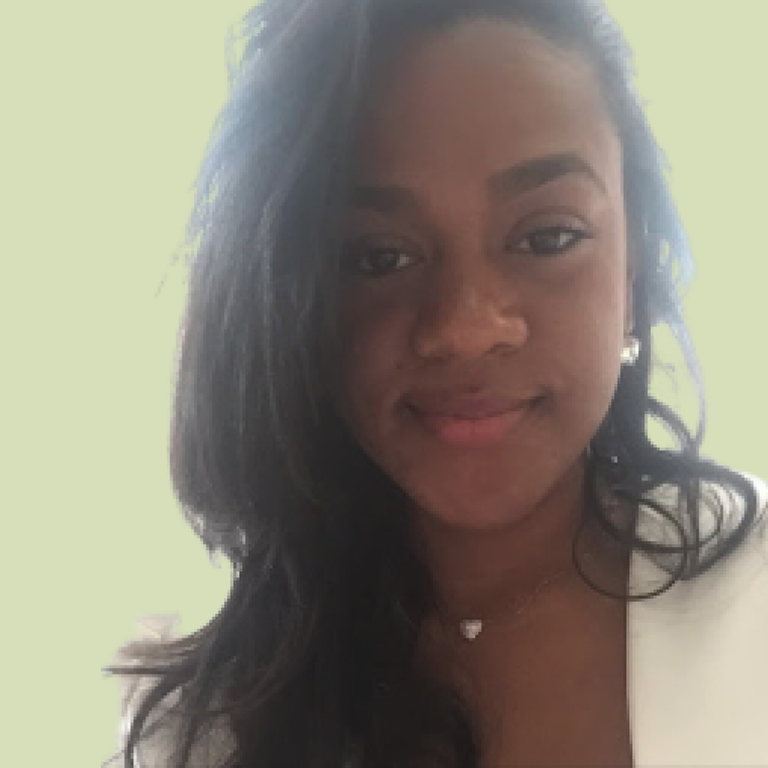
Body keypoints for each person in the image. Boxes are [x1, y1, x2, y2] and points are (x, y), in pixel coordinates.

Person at [102, 0, 768, 766]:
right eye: (378, 257)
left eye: (548, 236)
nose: (465, 327)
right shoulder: (196, 731)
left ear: (634, 263)